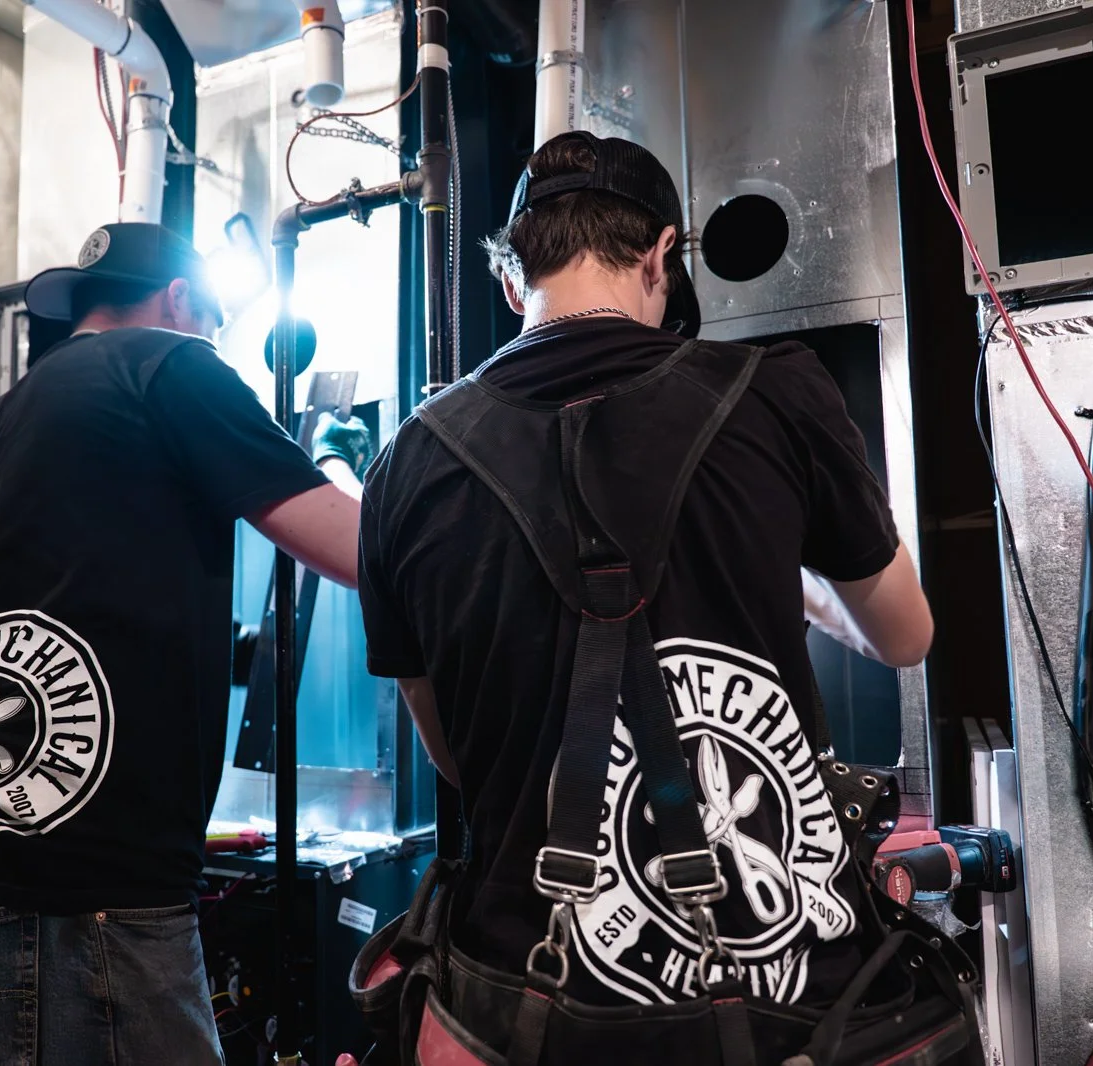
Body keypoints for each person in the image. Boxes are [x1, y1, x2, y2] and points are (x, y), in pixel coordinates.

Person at [358, 132, 956, 1062]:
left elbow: (456, 753)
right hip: (792, 1001)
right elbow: (907, 635)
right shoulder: (777, 393)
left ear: (514, 281)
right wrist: (788, 586)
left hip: (524, 1008)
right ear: (662, 256)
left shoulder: (407, 461)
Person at [0, 222, 373, 1065]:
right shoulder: (174, 363)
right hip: (67, 907)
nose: (212, 339)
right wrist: (341, 463)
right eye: (212, 319)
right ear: (181, 301)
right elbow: (360, 552)